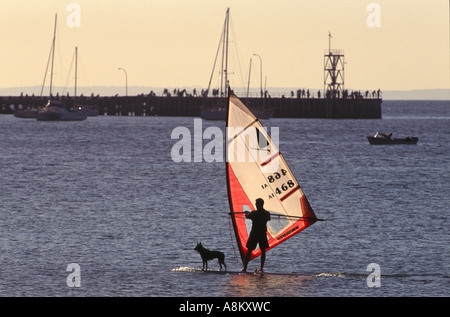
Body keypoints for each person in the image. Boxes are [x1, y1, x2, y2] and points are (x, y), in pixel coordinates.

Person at [241, 198, 271, 273]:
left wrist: (246, 213)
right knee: (262, 251)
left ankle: (245, 268)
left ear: (260, 205)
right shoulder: (266, 213)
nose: (256, 205)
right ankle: (261, 268)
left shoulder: (254, 213)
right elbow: (269, 218)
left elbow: (247, 216)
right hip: (262, 234)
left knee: (250, 250)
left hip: (255, 234)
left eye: (257, 204)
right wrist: (249, 214)